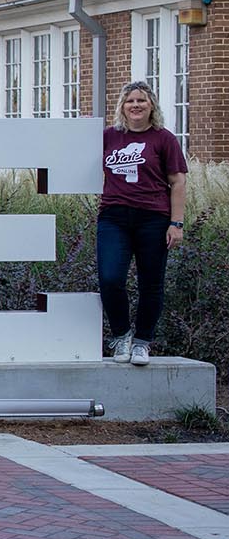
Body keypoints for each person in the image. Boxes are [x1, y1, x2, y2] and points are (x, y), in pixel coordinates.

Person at [98, 81, 186, 367]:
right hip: (114, 217)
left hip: (153, 218)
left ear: (152, 106)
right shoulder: (108, 137)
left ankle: (142, 343)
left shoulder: (164, 139)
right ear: (122, 107)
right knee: (110, 278)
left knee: (151, 283)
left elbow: (178, 181)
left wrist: (177, 223)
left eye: (141, 101)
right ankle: (121, 335)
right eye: (130, 101)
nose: (135, 105)